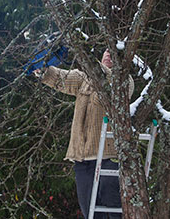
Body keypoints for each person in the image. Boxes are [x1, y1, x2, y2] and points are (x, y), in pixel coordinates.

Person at [34, 49, 134, 219]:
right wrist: (42, 68)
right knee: (90, 212)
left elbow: (113, 83)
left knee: (115, 210)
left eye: (115, 53)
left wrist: (94, 63)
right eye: (107, 52)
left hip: (108, 158)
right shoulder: (85, 79)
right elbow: (62, 78)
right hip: (82, 160)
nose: (109, 54)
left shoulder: (125, 81)